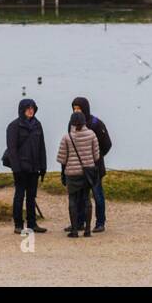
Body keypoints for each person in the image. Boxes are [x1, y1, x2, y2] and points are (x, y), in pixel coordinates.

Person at [4, 98, 48, 235]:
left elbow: (42, 147)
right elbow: (12, 149)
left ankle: (32, 223)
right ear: (22, 110)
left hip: (34, 167)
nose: (30, 110)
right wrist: (16, 169)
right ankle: (18, 224)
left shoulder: (37, 125)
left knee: (31, 196)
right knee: (19, 196)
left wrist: (43, 166)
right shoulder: (13, 126)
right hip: (21, 168)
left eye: (32, 108)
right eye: (28, 108)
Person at [57, 111, 101, 238]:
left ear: (72, 122)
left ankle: (75, 230)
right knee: (87, 199)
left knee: (73, 200)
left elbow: (62, 159)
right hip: (87, 172)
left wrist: (63, 174)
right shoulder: (92, 134)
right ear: (84, 122)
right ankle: (87, 230)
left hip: (72, 173)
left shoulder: (67, 137)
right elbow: (96, 156)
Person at [70, 97, 112, 233]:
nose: (76, 111)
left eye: (78, 108)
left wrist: (96, 159)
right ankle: (80, 222)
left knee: (97, 195)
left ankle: (100, 223)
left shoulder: (96, 124)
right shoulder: (72, 124)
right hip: (78, 167)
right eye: (74, 108)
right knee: (81, 196)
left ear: (85, 108)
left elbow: (107, 144)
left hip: (95, 167)